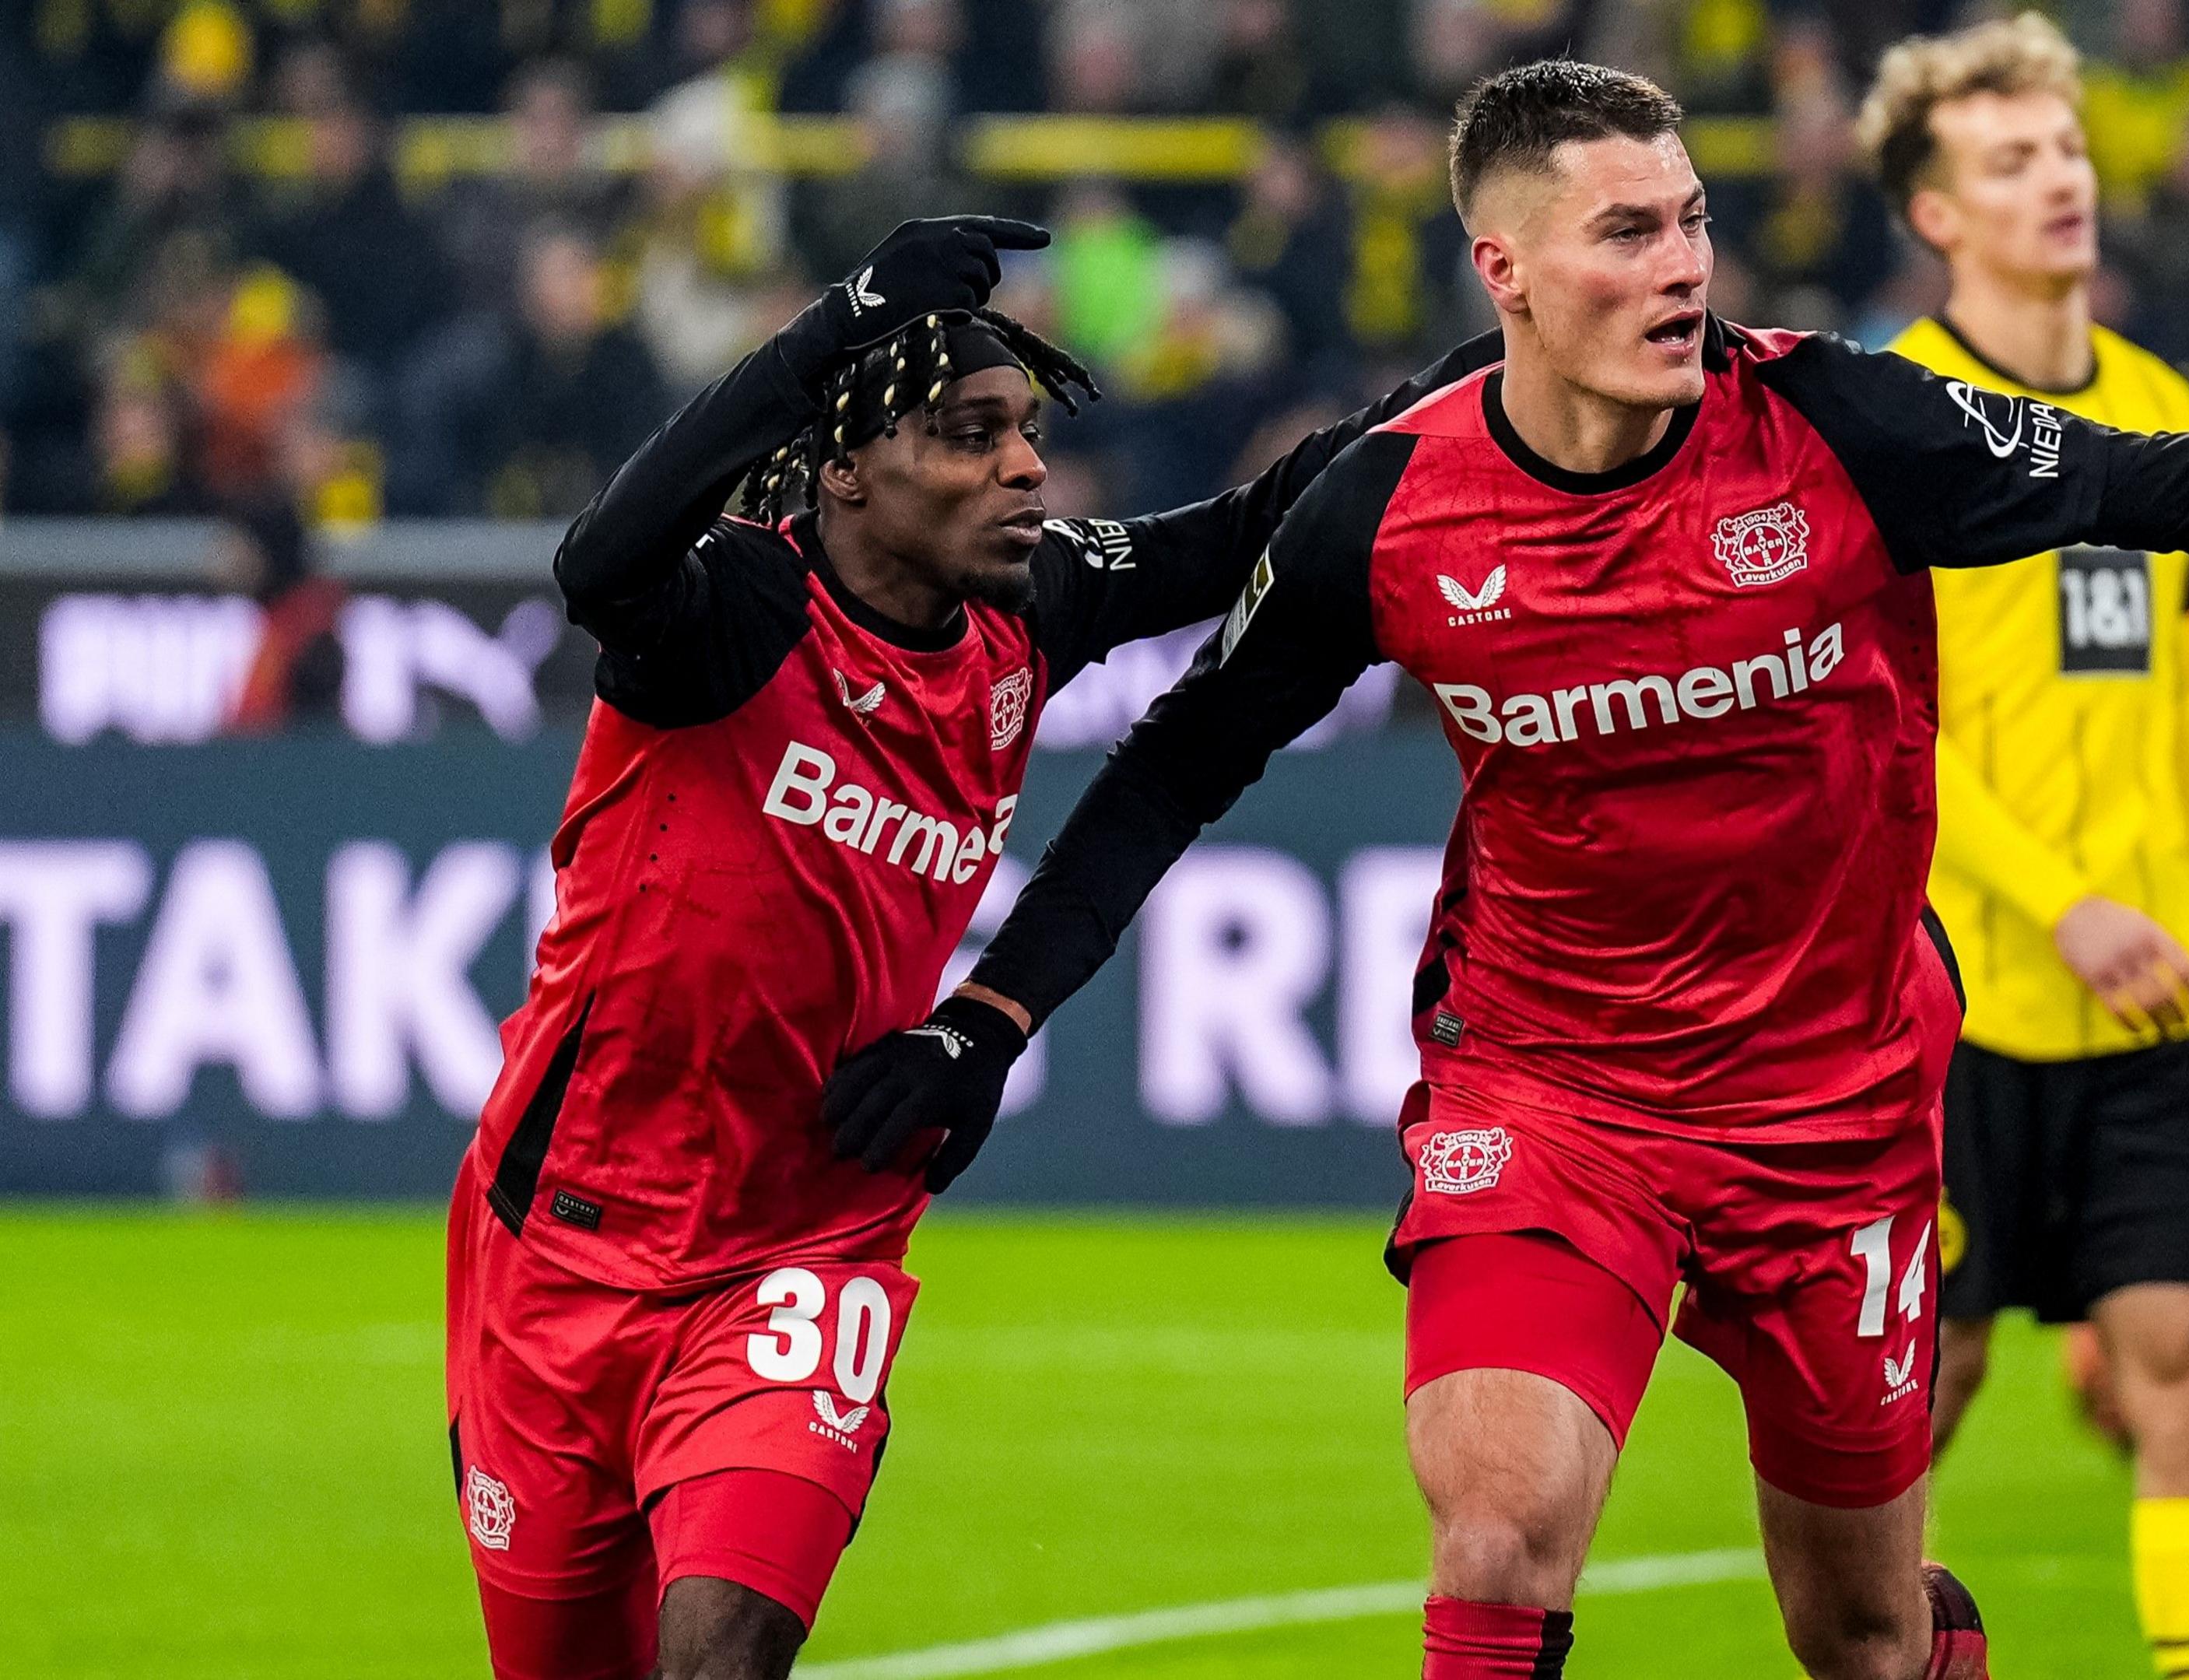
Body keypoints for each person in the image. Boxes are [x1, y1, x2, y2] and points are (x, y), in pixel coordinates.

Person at [878, 64, 2189, 1680]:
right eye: (1629, 231)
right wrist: (990, 1013)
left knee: (1862, 1637)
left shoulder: (1837, 424)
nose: (1683, 265)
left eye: (1696, 221)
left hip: (1835, 1108)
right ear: (1508, 266)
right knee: (1495, 1541)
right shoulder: (1390, 504)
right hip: (1549, 1092)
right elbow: (1172, 769)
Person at [444, 214, 1493, 1680]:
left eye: (1025, 433)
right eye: (967, 434)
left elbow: (1264, 516)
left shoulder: (1032, 603)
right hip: (562, 1241)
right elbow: (599, 560)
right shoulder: (736, 614)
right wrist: (838, 321)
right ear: (846, 471)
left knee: (721, 1658)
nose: (1024, 467)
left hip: (811, 1242)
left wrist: (1508, 361)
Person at [1856, 19, 2189, 1675]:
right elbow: (1893, 733)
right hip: (1956, 998)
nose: (2060, 181)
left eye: (2067, 149)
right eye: (2011, 161)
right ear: (1936, 214)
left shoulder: (2161, 403)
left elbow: (2181, 720)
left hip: (2150, 1008)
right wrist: (2068, 906)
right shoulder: (1889, 417)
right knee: (1928, 1385)